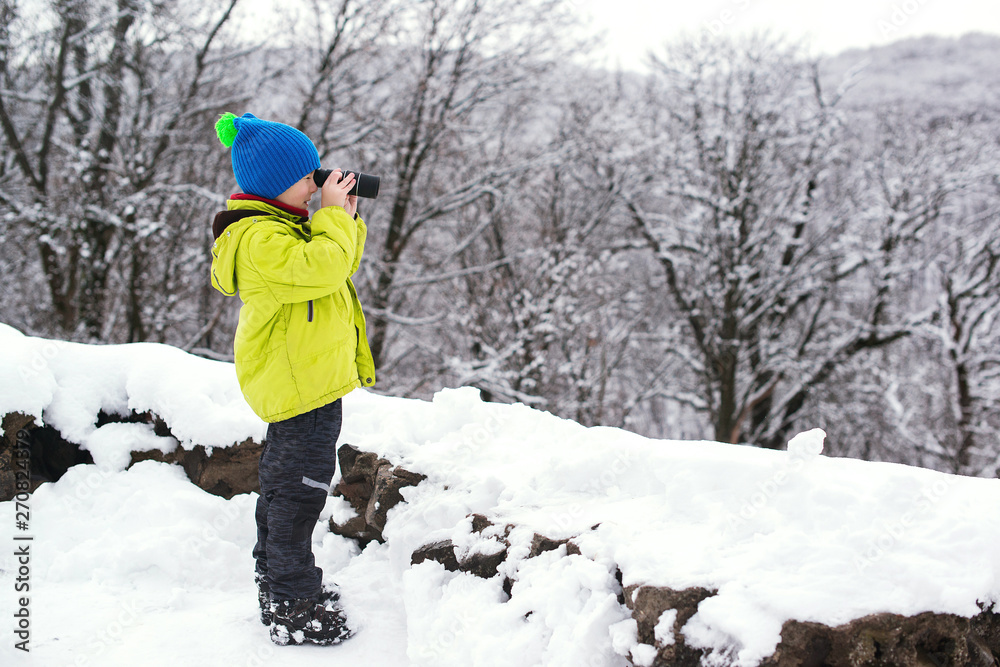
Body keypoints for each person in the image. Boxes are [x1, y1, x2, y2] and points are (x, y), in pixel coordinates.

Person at [209, 111, 376, 646]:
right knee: (297, 496)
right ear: (277, 182)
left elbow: (337, 265)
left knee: (284, 489)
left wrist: (341, 216)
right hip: (299, 390)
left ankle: (276, 579)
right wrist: (331, 218)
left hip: (310, 385)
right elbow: (324, 268)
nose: (316, 183)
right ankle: (293, 605)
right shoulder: (260, 241)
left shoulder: (286, 229)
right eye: (309, 176)